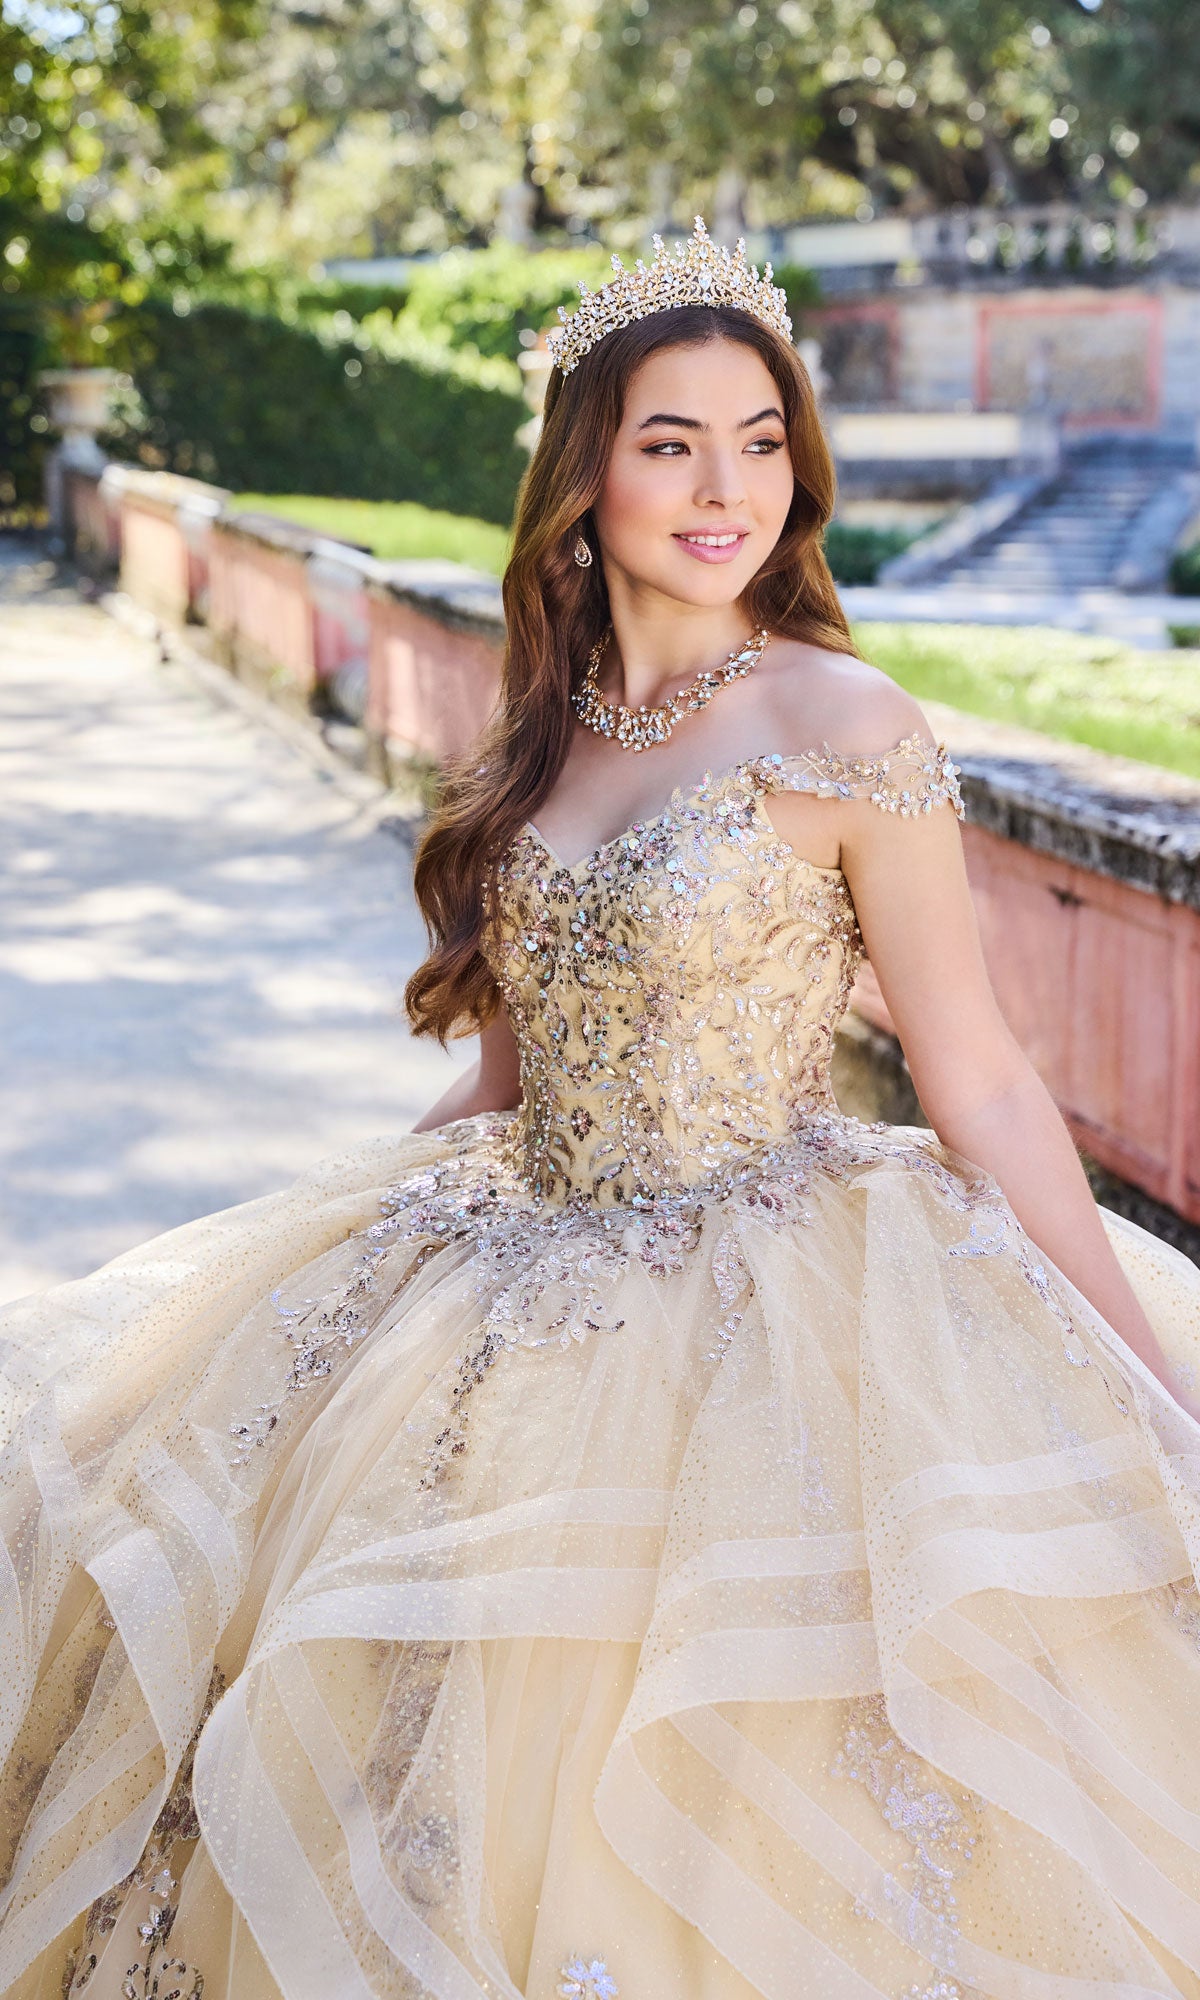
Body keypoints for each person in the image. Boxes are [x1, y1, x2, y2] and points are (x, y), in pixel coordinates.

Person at [2, 220, 1200, 2000]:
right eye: (669, 441)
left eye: (761, 440)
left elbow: (992, 1087)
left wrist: (1156, 1391)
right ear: (585, 469)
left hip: (775, 1302)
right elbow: (500, 1090)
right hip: (513, 1267)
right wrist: (286, 1301)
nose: (727, 486)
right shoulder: (539, 736)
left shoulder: (843, 720)